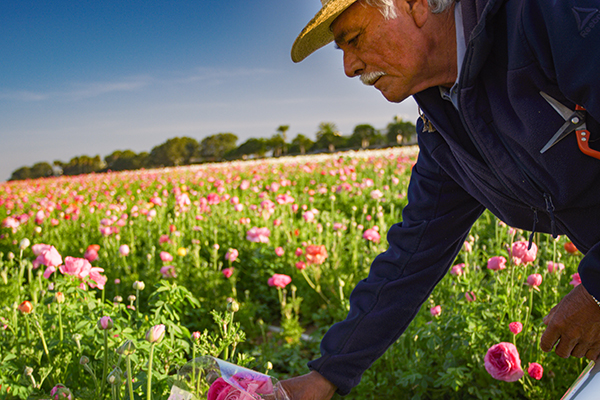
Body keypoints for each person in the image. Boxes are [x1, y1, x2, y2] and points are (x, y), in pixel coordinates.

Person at [279, 0, 600, 398]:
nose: (350, 67)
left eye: (354, 39)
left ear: (413, 5)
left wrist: (596, 291)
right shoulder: (444, 122)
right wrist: (325, 376)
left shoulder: (557, 17)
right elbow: (413, 254)